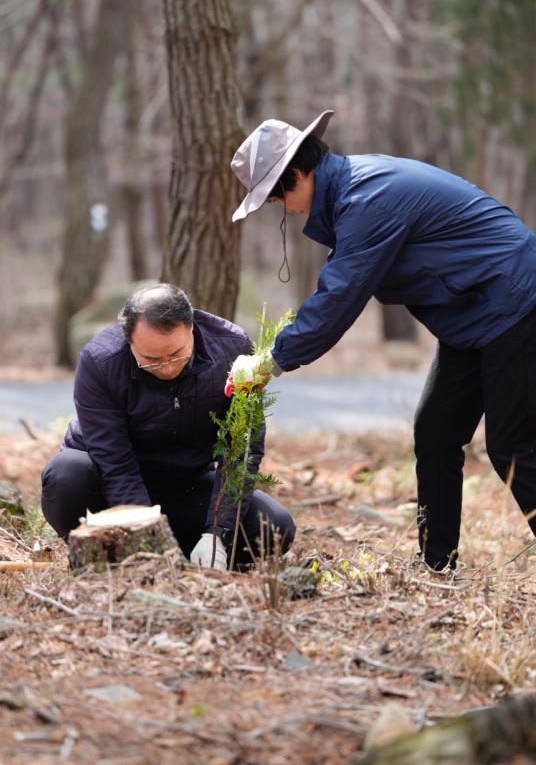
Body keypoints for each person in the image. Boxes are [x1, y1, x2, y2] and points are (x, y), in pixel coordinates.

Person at [230, 110, 536, 570]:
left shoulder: (369, 199)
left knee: (511, 446)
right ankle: (437, 564)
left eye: (278, 197)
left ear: (297, 174)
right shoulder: (353, 194)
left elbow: (338, 299)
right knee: (436, 431)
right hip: (474, 315)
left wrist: (270, 360)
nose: (285, 209)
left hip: (515, 300)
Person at [41, 283, 296, 569]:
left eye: (176, 355)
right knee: (66, 475)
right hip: (108, 486)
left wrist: (217, 533)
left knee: (276, 527)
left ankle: (196, 554)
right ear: (129, 341)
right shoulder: (100, 362)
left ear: (191, 329)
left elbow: (241, 449)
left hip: (185, 485)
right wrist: (148, 538)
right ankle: (111, 553)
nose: (166, 368)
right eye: (150, 361)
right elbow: (115, 463)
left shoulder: (232, 348)